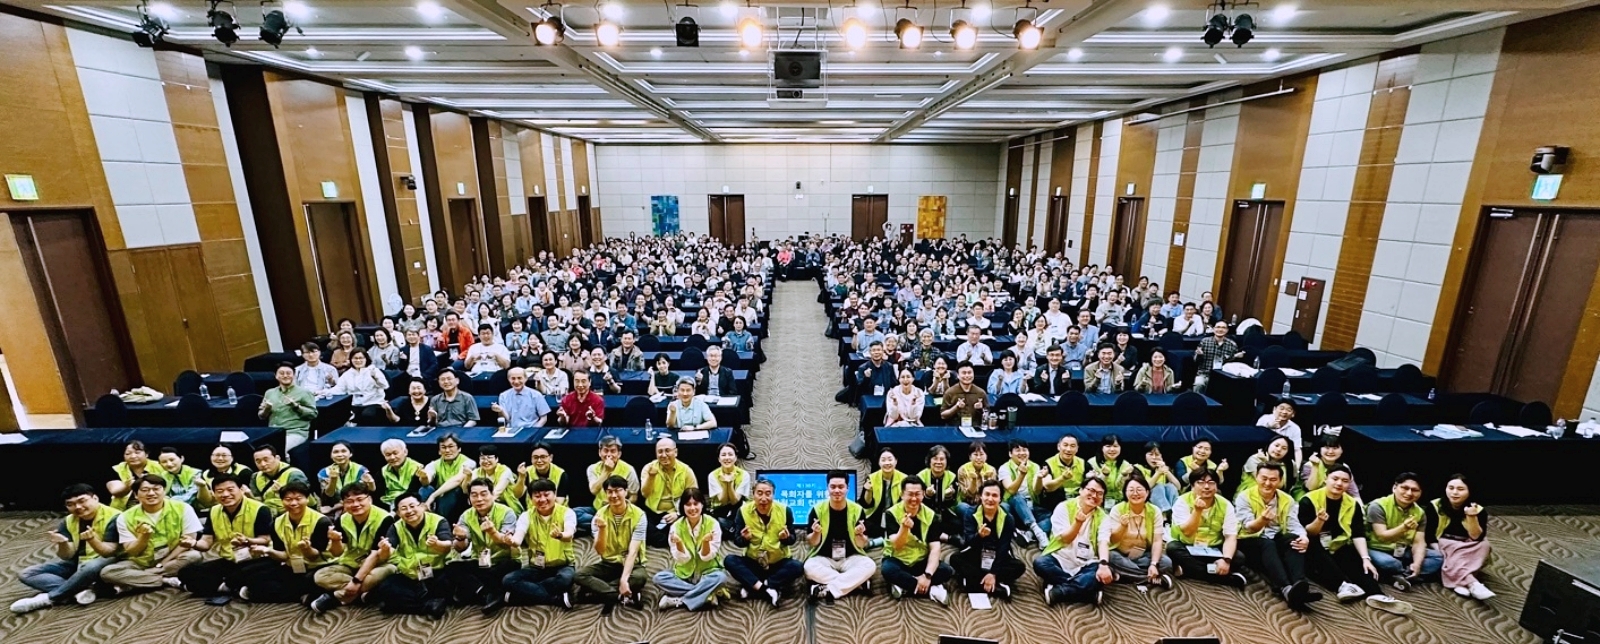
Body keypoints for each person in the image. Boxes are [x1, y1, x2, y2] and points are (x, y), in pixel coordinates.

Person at [1300, 465, 1413, 614]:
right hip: (1313, 544)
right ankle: (1343, 584)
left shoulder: (1352, 504)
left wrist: (1365, 558)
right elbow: (1307, 532)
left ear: (1349, 484)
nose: (1339, 483)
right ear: (1326, 479)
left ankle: (1377, 595)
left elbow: (1357, 534)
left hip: (1338, 544)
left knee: (1357, 562)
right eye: (1335, 479)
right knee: (1320, 557)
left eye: (1345, 481)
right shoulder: (1308, 500)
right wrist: (1319, 521)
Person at [10, 484, 122, 613]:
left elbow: (110, 551)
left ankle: (50, 598)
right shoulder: (68, 520)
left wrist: (92, 540)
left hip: (110, 559)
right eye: (70, 504)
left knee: (90, 566)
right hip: (79, 562)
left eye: (82, 501)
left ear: (95, 498)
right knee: (27, 574)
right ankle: (79, 591)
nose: (78, 507)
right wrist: (62, 543)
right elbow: (67, 556)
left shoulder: (114, 517)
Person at [1234, 462, 1321, 609]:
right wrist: (1262, 520)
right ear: (1256, 477)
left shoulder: (1287, 499)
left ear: (1280, 481)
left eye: (1273, 479)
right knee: (1267, 544)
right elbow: (1248, 527)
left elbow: (1293, 524)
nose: (1268, 483)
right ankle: (1285, 588)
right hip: (1249, 540)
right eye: (1264, 478)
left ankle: (1300, 584)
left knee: (1294, 539)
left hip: (1274, 539)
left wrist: (1304, 537)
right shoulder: (1244, 497)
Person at [99, 474, 203, 593]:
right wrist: (144, 537)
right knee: (107, 572)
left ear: (164, 491)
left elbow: (188, 542)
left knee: (194, 556)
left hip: (171, 558)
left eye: (156, 489)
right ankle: (165, 580)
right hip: (141, 562)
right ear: (136, 495)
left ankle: (138, 580)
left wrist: (162, 563)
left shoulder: (183, 508)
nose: (151, 493)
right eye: (145, 490)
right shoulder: (124, 517)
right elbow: (132, 551)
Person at [233, 481, 334, 603]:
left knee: (304, 581)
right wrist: (267, 550)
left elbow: (315, 557)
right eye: (288, 499)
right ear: (282, 501)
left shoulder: (321, 522)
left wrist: (306, 549)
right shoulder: (277, 522)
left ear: (307, 499)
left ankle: (305, 593)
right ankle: (302, 595)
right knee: (254, 578)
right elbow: (283, 555)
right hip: (292, 565)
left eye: (298, 499)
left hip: (318, 566)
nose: (293, 503)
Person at [356, 493, 454, 619]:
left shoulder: (438, 521)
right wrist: (384, 549)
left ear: (422, 506)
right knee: (387, 588)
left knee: (448, 582)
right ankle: (428, 606)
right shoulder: (395, 527)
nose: (409, 511)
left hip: (435, 571)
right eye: (403, 508)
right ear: (398, 512)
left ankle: (406, 604)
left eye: (412, 506)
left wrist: (437, 544)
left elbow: (447, 546)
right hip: (410, 574)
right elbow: (387, 554)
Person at [308, 483, 395, 613]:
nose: (355, 504)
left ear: (370, 499)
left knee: (376, 576)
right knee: (320, 576)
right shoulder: (343, 519)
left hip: (379, 563)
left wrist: (356, 581)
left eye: (360, 499)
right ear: (343, 503)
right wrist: (335, 540)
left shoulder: (385, 518)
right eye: (349, 501)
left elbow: (376, 555)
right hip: (351, 562)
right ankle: (364, 594)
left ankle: (336, 597)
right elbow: (337, 553)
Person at [442, 478, 519, 615]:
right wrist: (460, 537)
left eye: (484, 494)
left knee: (508, 570)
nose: (479, 499)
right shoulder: (466, 516)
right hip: (480, 562)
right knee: (451, 568)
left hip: (503, 560)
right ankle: (487, 593)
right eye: (474, 495)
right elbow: (461, 548)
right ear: (469, 498)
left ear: (492, 495)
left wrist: (492, 532)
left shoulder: (507, 512)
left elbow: (504, 544)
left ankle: (475, 591)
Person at [1034, 477, 1110, 606]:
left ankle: (1060, 591)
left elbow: (1103, 542)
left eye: (1100, 493)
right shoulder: (1064, 507)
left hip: (1087, 563)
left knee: (1102, 572)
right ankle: (1087, 593)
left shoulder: (1103, 517)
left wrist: (1103, 565)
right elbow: (1065, 538)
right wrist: (1078, 523)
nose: (1094, 496)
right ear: (1080, 490)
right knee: (1040, 563)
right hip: (1060, 558)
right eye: (1091, 490)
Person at [575, 475, 648, 608]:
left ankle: (600, 591)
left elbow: (633, 552)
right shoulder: (599, 516)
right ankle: (618, 595)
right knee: (579, 575)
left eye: (618, 490)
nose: (614, 495)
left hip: (633, 563)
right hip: (608, 563)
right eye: (609, 492)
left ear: (626, 492)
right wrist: (602, 529)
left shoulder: (639, 515)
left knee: (639, 578)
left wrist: (624, 579)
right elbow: (600, 550)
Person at [503, 478, 578, 608]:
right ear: (531, 498)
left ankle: (521, 595)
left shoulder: (567, 512)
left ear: (555, 494)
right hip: (536, 567)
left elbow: (569, 534)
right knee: (508, 580)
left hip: (563, 565)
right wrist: (511, 540)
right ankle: (556, 599)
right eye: (537, 496)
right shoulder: (526, 516)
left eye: (546, 495)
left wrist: (560, 535)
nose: (542, 499)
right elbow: (518, 538)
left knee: (565, 580)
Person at [726, 477, 801, 607]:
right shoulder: (743, 512)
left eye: (768, 493)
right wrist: (745, 539)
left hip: (778, 562)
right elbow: (737, 542)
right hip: (754, 562)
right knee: (729, 560)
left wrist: (786, 538)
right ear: (753, 494)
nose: (763, 498)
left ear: (773, 495)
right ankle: (768, 589)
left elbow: (792, 539)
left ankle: (754, 586)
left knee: (797, 566)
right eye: (759, 493)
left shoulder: (785, 511)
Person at [1164, 469, 1245, 588]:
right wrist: (1197, 511)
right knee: (1172, 548)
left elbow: (1230, 536)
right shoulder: (1182, 502)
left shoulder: (1225, 504)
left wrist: (1226, 560)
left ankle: (1190, 570)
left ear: (1216, 486)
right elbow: (1187, 532)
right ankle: (1224, 578)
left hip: (1213, 548)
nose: (1206, 486)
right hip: (1187, 545)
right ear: (1192, 486)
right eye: (1201, 482)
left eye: (1211, 482)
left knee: (1238, 558)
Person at [878, 477, 953, 604]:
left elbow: (935, 548)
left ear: (923, 494)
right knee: (887, 570)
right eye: (910, 494)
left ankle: (905, 585)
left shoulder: (932, 516)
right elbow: (896, 545)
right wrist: (904, 528)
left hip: (921, 560)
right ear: (902, 494)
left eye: (917, 494)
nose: (914, 498)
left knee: (947, 571)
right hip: (898, 558)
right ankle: (931, 589)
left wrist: (927, 575)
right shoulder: (891, 513)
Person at [653, 488, 728, 611]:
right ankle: (706, 595)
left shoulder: (713, 524)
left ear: (702, 505)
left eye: (696, 504)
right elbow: (682, 560)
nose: (692, 508)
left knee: (721, 578)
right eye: (688, 504)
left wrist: (705, 543)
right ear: (682, 507)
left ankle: (679, 600)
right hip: (685, 575)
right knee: (659, 578)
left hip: (707, 572)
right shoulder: (676, 527)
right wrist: (679, 543)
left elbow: (707, 557)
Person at [804, 471, 874, 602]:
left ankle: (826, 588)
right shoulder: (817, 509)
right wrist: (816, 533)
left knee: (869, 565)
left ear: (847, 488)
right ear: (828, 488)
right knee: (809, 567)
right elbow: (813, 543)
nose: (837, 490)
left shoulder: (857, 510)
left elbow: (861, 544)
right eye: (833, 487)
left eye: (841, 487)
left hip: (850, 557)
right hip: (825, 557)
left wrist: (859, 535)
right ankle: (856, 583)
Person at [1366, 472, 1443, 591]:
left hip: (1403, 550)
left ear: (1420, 493)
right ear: (1394, 488)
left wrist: (1417, 564)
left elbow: (1419, 542)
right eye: (1405, 488)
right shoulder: (1377, 506)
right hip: (1377, 548)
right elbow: (1382, 536)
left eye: (1415, 490)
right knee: (1391, 563)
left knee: (1438, 558)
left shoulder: (1420, 512)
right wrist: (1404, 528)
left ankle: (1399, 575)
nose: (1409, 493)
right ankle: (1402, 575)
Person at [951, 479, 1023, 599]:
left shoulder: (1008, 518)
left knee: (1019, 567)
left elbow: (1004, 547)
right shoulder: (970, 513)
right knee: (955, 559)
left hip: (996, 555)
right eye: (987, 494)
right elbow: (969, 542)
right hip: (976, 553)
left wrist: (993, 573)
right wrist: (979, 536)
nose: (990, 499)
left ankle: (972, 583)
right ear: (981, 496)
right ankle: (996, 586)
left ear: (1000, 499)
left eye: (994, 495)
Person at [1098, 476, 1174, 589]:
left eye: (1139, 489)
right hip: (1121, 554)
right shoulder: (1117, 509)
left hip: (1143, 555)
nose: (1135, 493)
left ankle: (1124, 576)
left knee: (1166, 562)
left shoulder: (1155, 511)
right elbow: (1113, 539)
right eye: (1131, 490)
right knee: (1110, 556)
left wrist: (1153, 564)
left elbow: (1157, 541)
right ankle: (1149, 578)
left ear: (1147, 492)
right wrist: (1122, 526)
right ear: (1125, 493)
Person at [1433, 474, 1494, 600]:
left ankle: (1459, 582)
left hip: (1468, 542)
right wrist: (1438, 550)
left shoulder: (1478, 509)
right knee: (1454, 551)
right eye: (1451, 488)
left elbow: (1476, 537)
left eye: (1460, 489)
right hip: (1444, 540)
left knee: (1484, 545)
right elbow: (1429, 535)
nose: (1454, 492)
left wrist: (1472, 516)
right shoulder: (1435, 505)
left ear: (1469, 491)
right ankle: (1472, 583)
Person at [641, 438, 697, 547]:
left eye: (667, 451)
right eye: (660, 451)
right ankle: (673, 538)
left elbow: (694, 497)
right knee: (641, 523)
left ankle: (668, 537)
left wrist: (678, 514)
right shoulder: (648, 468)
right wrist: (651, 477)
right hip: (653, 511)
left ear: (675, 452)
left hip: (676, 512)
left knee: (694, 519)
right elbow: (645, 494)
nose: (663, 455)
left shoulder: (686, 470)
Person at [999, 439, 1051, 545]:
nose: (1022, 453)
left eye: (1024, 450)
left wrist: (1040, 478)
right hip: (1013, 505)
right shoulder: (1004, 468)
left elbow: (1037, 492)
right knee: (1016, 497)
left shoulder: (1035, 466)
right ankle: (1037, 531)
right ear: (1010, 454)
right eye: (1018, 450)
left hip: (1031, 506)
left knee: (1052, 517)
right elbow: (1011, 490)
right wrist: (1022, 475)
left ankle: (1029, 534)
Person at [585, 436, 638, 535]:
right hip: (598, 509)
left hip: (620, 511)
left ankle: (604, 526)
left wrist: (621, 508)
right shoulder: (592, 468)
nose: (609, 455)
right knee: (575, 514)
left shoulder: (629, 470)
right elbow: (593, 490)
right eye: (605, 451)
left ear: (619, 454)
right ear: (599, 452)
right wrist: (606, 472)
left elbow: (634, 496)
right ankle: (604, 525)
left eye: (613, 451)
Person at [261, 363, 320, 451]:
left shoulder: (304, 392)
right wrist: (267, 409)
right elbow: (261, 416)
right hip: (273, 432)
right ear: (276, 376)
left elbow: (313, 414)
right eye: (282, 373)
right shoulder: (270, 393)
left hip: (295, 432)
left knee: (280, 450)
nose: (285, 376)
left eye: (288, 373)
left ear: (294, 375)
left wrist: (296, 406)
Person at [422, 433, 476, 521]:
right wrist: (424, 477)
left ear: (459, 449)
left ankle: (442, 521)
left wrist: (433, 496)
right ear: (439, 451)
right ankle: (424, 517)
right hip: (439, 497)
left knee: (451, 492)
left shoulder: (469, 463)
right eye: (443, 447)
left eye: (451, 446)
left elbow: (457, 480)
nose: (447, 450)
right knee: (425, 489)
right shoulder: (433, 464)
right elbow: (427, 480)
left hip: (460, 499)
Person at [860, 448, 907, 540]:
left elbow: (904, 504)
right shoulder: (871, 478)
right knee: (861, 525)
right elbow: (866, 504)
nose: (887, 463)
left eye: (890, 459)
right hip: (875, 516)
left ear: (896, 461)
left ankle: (883, 539)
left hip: (896, 516)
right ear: (879, 462)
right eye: (883, 460)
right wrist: (868, 491)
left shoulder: (904, 479)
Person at [252, 443, 308, 516]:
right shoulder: (255, 477)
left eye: (266, 460)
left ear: (277, 458)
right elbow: (258, 501)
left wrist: (282, 491)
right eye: (258, 461)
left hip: (291, 512)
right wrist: (249, 496)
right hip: (268, 511)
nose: (263, 464)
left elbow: (303, 500)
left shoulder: (294, 474)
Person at [706, 444, 751, 532]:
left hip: (738, 506)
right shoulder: (712, 476)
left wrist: (730, 483)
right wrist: (725, 483)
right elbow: (723, 501)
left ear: (736, 457)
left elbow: (735, 501)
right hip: (719, 508)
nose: (727, 458)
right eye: (723, 455)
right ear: (719, 459)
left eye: (730, 454)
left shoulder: (744, 475)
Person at [378, 439, 430, 510]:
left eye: (395, 453)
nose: (392, 457)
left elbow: (415, 490)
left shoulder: (417, 467)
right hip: (388, 502)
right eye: (388, 455)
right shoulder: (383, 470)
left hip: (409, 502)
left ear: (405, 452)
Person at [197, 445, 252, 510]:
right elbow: (205, 502)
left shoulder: (244, 472)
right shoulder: (206, 474)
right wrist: (202, 487)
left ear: (232, 457)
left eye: (224, 455)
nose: (220, 458)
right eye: (217, 455)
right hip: (216, 509)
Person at [1193, 320, 1241, 393]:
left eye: (1223, 328)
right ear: (1213, 329)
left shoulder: (1232, 345)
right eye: (1218, 327)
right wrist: (1199, 355)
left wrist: (1235, 356)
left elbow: (1232, 364)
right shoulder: (1205, 341)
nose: (1220, 329)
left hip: (1223, 375)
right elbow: (1195, 361)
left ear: (1227, 330)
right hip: (1204, 373)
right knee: (1199, 384)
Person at [1087, 434, 1137, 504]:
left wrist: (1124, 475)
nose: (1112, 449)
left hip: (1120, 501)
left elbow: (1123, 488)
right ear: (1102, 448)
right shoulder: (1091, 463)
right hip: (1097, 500)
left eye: (1115, 446)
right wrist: (1104, 475)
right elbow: (1094, 487)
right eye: (1108, 446)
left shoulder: (1126, 465)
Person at [1135, 442, 1180, 511]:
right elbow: (1144, 488)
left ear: (1161, 456)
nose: (1154, 457)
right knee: (1158, 487)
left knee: (1171, 487)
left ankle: (1175, 512)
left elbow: (1178, 487)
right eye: (1150, 454)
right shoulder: (1137, 468)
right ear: (1145, 455)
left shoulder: (1165, 468)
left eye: (1157, 454)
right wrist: (1158, 473)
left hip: (1168, 503)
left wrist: (1166, 471)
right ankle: (1165, 512)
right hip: (1145, 500)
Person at [955, 441, 996, 514]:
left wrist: (986, 479)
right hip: (967, 503)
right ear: (970, 457)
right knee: (963, 507)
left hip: (985, 503)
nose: (979, 457)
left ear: (986, 456)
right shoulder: (963, 469)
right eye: (975, 454)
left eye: (982, 454)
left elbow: (992, 492)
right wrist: (974, 480)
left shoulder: (991, 470)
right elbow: (966, 496)